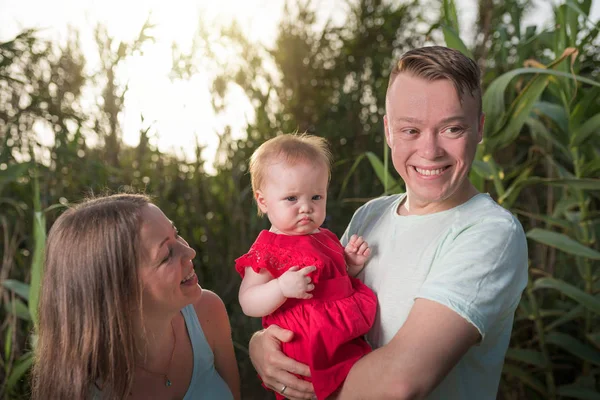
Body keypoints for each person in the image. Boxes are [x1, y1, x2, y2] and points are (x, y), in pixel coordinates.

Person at [247, 46, 529, 400]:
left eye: (452, 129)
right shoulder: (370, 215)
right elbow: (312, 307)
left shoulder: (489, 233)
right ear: (388, 131)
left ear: (479, 128)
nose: (430, 150)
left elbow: (399, 384)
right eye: (410, 130)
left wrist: (307, 384)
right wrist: (262, 345)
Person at [31, 194, 241, 400]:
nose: (189, 252)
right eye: (167, 255)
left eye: (176, 234)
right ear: (119, 290)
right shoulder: (81, 389)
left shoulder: (208, 312)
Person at [235, 134, 377, 399]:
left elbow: (334, 279)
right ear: (263, 201)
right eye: (291, 199)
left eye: (316, 197)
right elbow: (248, 300)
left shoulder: (325, 237)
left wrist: (352, 267)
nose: (306, 208)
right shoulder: (269, 249)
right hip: (304, 349)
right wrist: (280, 287)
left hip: (341, 338)